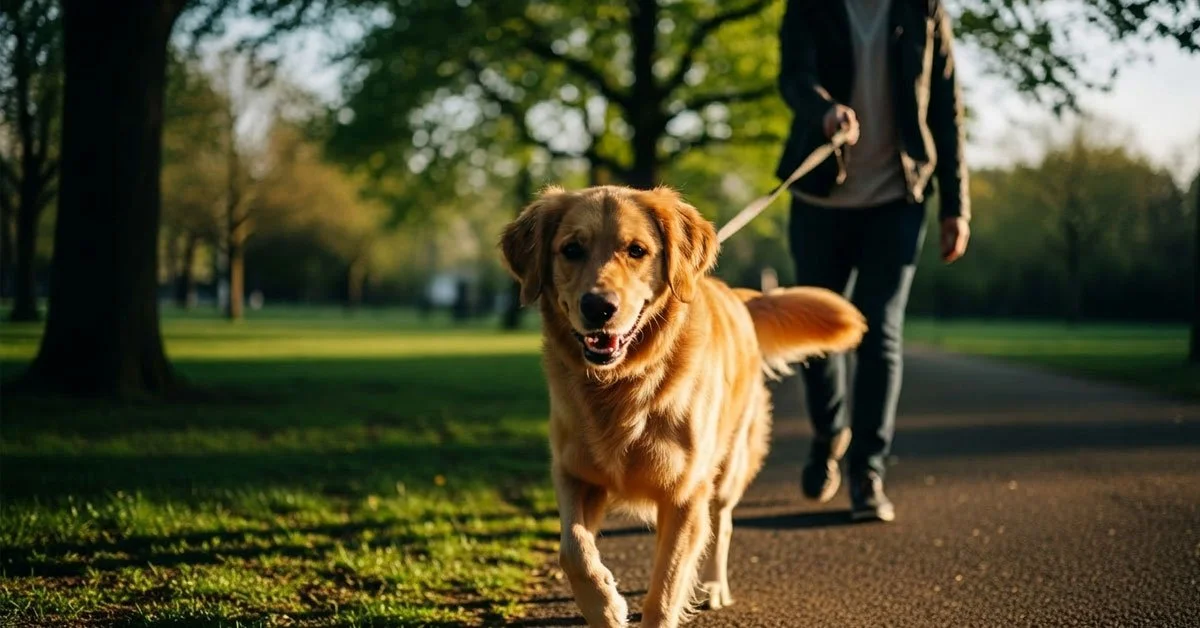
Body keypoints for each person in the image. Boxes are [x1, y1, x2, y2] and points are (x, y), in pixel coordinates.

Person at [776, 0, 970, 522]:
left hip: (897, 198)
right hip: (819, 198)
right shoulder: (808, 6)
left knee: (880, 332)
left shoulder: (924, 7)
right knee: (815, 333)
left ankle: (867, 470)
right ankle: (827, 434)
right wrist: (823, 109)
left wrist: (956, 206)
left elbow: (946, 108)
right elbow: (793, 76)